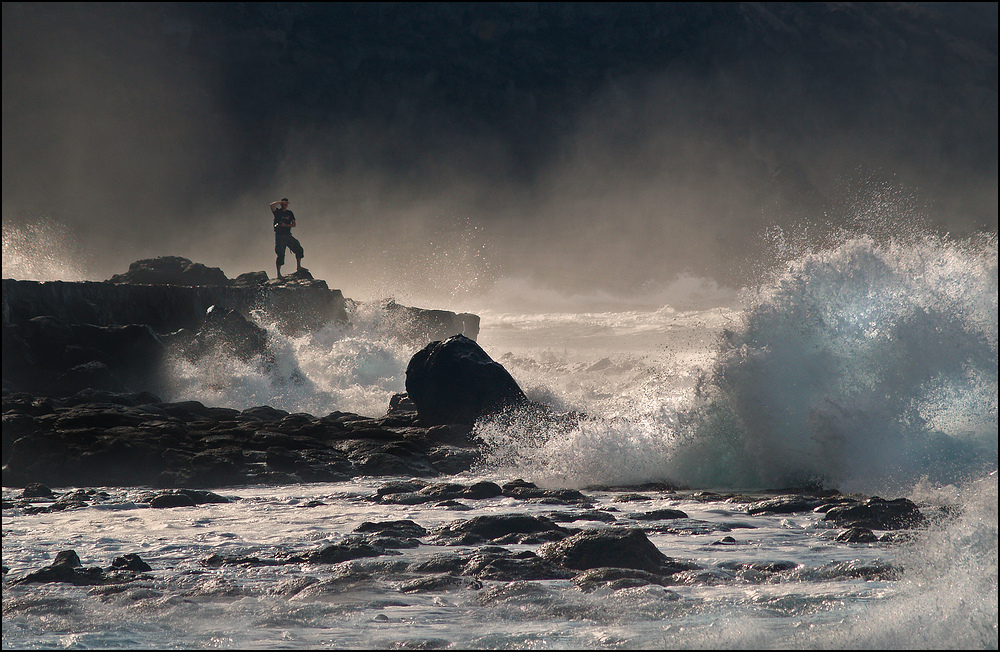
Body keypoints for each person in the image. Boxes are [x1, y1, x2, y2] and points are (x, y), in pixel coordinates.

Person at [270, 197, 305, 278]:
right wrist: (280, 201)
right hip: (279, 236)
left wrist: (285, 225)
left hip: (288, 235)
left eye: (286, 204)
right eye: (283, 204)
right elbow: (271, 205)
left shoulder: (289, 213)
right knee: (280, 254)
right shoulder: (277, 212)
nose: (285, 205)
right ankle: (278, 274)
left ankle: (299, 267)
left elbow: (294, 224)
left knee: (299, 248)